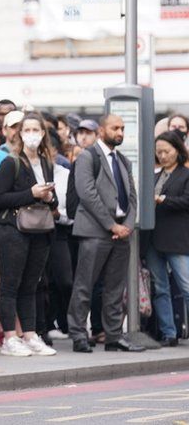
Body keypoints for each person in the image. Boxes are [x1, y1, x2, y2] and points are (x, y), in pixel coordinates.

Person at [68, 114, 143, 353]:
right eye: (115, 128)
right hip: (95, 231)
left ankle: (113, 336)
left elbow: (132, 196)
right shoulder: (88, 156)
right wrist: (112, 225)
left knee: (115, 287)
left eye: (122, 128)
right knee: (84, 285)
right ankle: (79, 333)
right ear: (101, 130)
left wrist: (128, 226)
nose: (120, 132)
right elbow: (87, 194)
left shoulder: (122, 159)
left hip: (121, 232)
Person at [0, 113, 59, 357]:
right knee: (10, 284)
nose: (32, 134)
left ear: (43, 133)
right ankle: (9, 336)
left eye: (36, 129)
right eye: (27, 129)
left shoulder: (47, 162)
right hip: (12, 229)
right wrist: (31, 193)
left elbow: (53, 199)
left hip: (39, 228)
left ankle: (30, 334)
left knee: (32, 284)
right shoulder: (11, 162)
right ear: (19, 133)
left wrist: (50, 197)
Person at [145, 131, 189, 347]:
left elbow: (186, 201)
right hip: (154, 238)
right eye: (159, 151)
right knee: (160, 288)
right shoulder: (154, 175)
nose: (162, 155)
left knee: (186, 286)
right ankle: (168, 332)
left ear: (177, 150)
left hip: (177, 238)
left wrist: (163, 199)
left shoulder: (186, 174)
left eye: (167, 151)